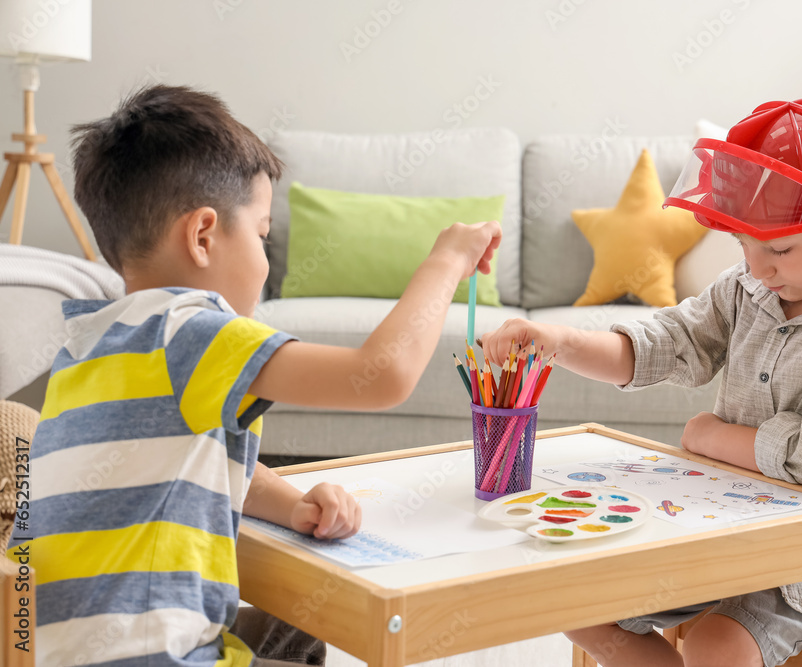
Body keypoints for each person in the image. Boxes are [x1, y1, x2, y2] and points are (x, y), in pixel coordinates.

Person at [8, 85, 501, 666]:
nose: (266, 261)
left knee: (295, 623)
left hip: (39, 647)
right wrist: (446, 262)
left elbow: (185, 454)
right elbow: (382, 375)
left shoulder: (90, 342)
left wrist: (291, 505)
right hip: (149, 656)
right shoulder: (193, 329)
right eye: (263, 234)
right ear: (203, 235)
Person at [481, 98, 802, 667]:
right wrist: (562, 342)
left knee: (716, 647)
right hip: (718, 526)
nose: (759, 266)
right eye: (743, 244)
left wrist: (709, 437)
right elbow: (663, 346)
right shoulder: (748, 285)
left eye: (781, 248)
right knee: (570, 592)